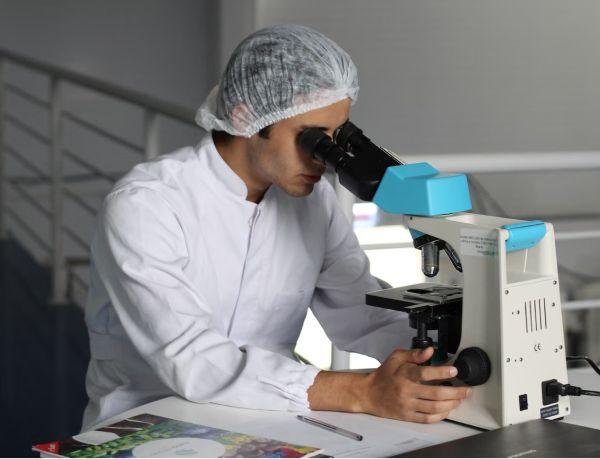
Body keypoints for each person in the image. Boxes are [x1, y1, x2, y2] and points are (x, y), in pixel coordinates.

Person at [81, 24, 470, 431]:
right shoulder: (148, 205)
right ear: (246, 117)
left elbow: (361, 311)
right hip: (149, 421)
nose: (325, 159)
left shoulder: (313, 202)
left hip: (268, 418)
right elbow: (192, 359)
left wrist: (440, 360)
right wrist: (362, 391)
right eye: (313, 139)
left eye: (338, 137)